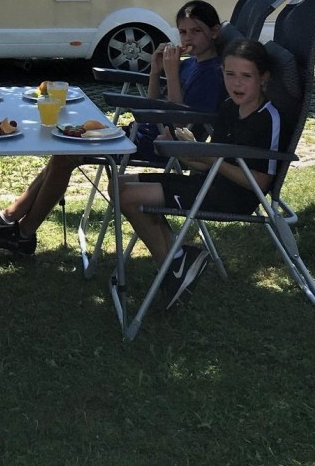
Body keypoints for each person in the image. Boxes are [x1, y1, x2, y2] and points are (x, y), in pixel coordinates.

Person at [0, 0, 225, 258]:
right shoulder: (191, 63)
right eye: (183, 32)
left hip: (161, 144)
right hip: (142, 131)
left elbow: (182, 124)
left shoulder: (211, 73)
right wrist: (156, 71)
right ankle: (10, 220)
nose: (188, 38)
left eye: (196, 31)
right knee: (64, 148)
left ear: (214, 32)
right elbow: (154, 101)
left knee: (66, 154)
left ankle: (21, 232)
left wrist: (171, 73)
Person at [117, 37, 284, 309]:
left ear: (263, 78)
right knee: (119, 185)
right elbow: (213, 160)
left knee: (130, 198)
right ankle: (179, 259)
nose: (237, 83)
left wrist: (207, 156)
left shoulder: (268, 118)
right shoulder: (230, 107)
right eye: (230, 75)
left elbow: (258, 182)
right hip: (208, 183)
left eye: (246, 76)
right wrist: (186, 154)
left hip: (234, 197)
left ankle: (173, 266)